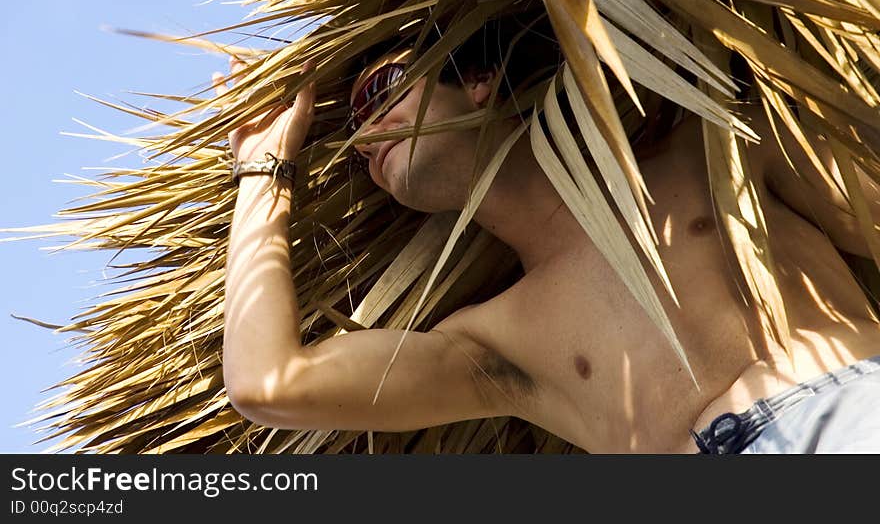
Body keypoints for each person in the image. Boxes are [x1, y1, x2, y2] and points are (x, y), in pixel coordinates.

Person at [215, 29, 880, 454]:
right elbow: (268, 381)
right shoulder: (493, 341)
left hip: (849, 410)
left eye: (381, 91)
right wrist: (264, 162)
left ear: (474, 82)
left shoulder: (714, 145)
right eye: (356, 145)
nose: (366, 136)